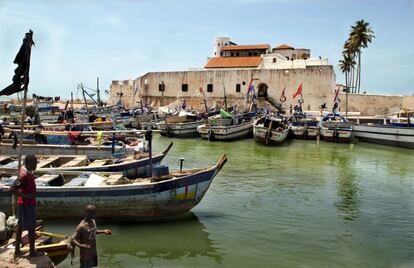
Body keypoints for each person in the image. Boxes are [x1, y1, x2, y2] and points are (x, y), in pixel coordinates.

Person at [10, 155, 43, 258]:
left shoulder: (27, 171)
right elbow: (12, 188)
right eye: (35, 164)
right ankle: (32, 252)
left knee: (21, 226)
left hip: (26, 203)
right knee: (31, 227)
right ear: (28, 164)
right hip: (26, 204)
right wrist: (27, 196)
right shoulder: (24, 175)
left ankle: (17, 251)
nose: (36, 165)